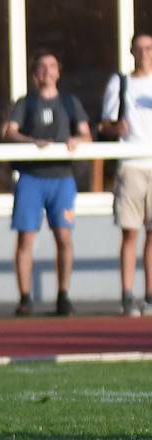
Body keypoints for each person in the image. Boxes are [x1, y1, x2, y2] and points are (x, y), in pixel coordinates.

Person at [0, 51, 91, 317]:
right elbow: (10, 130)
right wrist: (31, 143)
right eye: (41, 68)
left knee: (64, 236)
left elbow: (86, 134)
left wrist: (76, 141)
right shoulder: (25, 103)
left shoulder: (69, 102)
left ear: (58, 72)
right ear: (34, 74)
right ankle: (25, 297)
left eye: (52, 66)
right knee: (26, 237)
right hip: (31, 178)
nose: (47, 72)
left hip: (62, 178)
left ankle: (63, 295)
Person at [99, 33, 152, 317]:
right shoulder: (120, 82)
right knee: (130, 233)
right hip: (131, 164)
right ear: (131, 51)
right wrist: (115, 129)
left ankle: (150, 296)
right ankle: (127, 295)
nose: (144, 53)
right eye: (139, 48)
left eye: (149, 48)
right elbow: (103, 124)